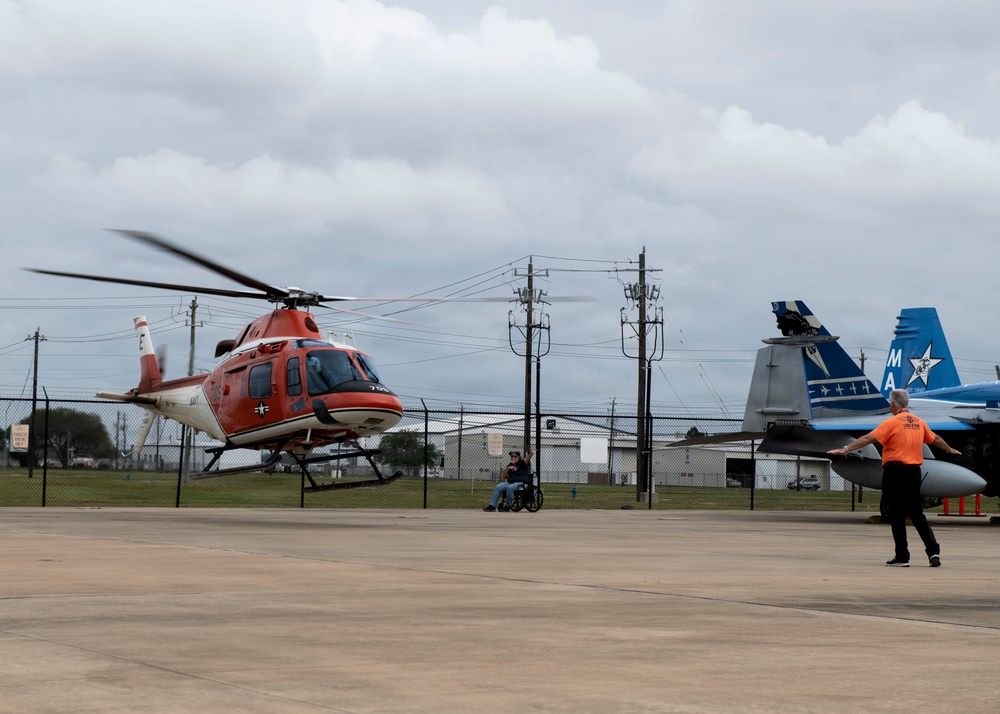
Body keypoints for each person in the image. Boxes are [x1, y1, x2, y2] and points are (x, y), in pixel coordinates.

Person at [827, 389, 961, 567]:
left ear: (892, 404)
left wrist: (845, 449)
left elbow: (868, 439)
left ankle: (902, 557)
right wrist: (948, 449)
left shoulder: (891, 423)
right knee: (917, 514)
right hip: (914, 472)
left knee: (897, 514)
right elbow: (935, 438)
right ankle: (933, 552)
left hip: (894, 472)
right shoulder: (919, 422)